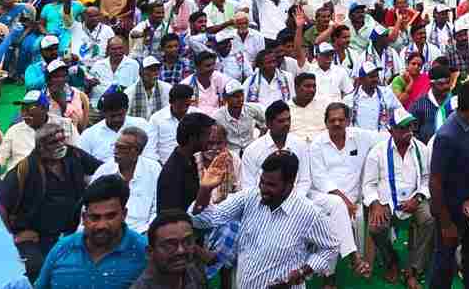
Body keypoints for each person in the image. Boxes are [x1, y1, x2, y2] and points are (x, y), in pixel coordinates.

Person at [191, 151, 340, 289]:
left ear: (290, 184)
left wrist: (302, 272)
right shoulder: (249, 197)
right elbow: (203, 220)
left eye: (271, 185)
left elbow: (331, 247)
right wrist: (205, 189)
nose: (263, 188)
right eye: (262, 182)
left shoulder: (309, 213)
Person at [0, 121, 102, 280]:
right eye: (54, 142)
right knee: (37, 268)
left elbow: (103, 170)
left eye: (62, 140)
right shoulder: (25, 169)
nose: (61, 145)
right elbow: (1, 206)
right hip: (36, 236)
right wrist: (13, 236)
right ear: (40, 147)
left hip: (72, 231)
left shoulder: (74, 155)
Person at [34, 175, 148, 289]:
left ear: (124, 215)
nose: (102, 225)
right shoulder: (62, 249)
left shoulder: (144, 252)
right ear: (84, 218)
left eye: (110, 216)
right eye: (95, 217)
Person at [310, 102, 379, 283]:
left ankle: (329, 276)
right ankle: (354, 257)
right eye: (332, 120)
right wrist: (344, 200)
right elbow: (319, 179)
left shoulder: (359, 136)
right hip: (322, 197)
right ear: (326, 123)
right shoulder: (317, 144)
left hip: (351, 200)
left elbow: (386, 138)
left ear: (348, 121)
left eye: (341, 119)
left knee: (336, 219)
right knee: (337, 206)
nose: (337, 123)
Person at [364, 109, 433, 288]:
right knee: (376, 227)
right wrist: (376, 203)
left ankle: (413, 270)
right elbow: (368, 185)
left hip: (414, 198)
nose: (408, 132)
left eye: (410, 127)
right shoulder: (377, 152)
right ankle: (391, 261)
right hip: (387, 201)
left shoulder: (421, 149)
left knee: (429, 220)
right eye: (402, 128)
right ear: (391, 130)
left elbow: (427, 179)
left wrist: (418, 199)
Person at [428, 79, 469, 289]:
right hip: (449, 210)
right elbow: (435, 182)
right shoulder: (446, 135)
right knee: (443, 263)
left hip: (467, 207)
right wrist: (446, 224)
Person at [92, 126, 161, 235]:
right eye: (115, 146)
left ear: (136, 151)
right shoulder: (104, 170)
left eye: (121, 148)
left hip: (142, 232)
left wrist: (148, 231)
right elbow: (89, 206)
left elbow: (157, 208)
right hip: (106, 231)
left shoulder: (154, 169)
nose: (115, 151)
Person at [128, 210, 207, 289]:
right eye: (170, 245)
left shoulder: (195, 269)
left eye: (187, 242)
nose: (181, 250)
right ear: (150, 252)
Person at [156, 111, 214, 213]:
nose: (210, 140)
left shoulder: (191, 160)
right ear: (192, 138)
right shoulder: (173, 172)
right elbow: (172, 215)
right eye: (207, 135)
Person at [80, 90, 154, 163]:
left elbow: (149, 155)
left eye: (120, 115)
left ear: (126, 110)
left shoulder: (141, 125)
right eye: (112, 116)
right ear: (103, 113)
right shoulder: (89, 135)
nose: (117, 119)